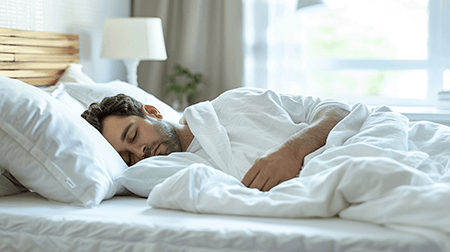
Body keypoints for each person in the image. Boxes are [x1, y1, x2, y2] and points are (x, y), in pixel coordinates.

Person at [82, 88, 350, 192]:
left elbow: (338, 111)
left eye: (133, 135)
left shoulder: (235, 102)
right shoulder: (165, 176)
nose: (140, 152)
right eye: (127, 157)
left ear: (152, 112)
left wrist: (292, 151)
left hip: (349, 152)